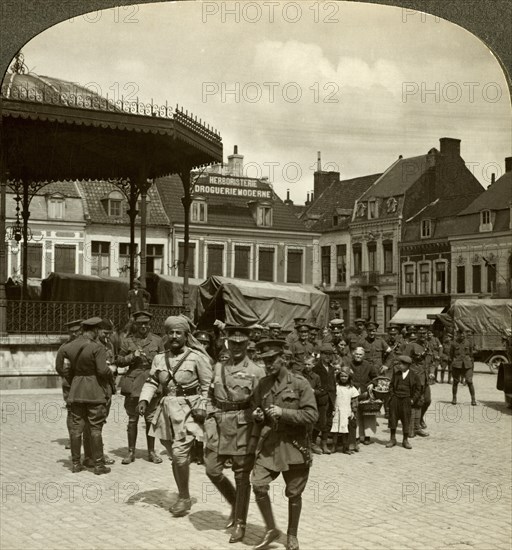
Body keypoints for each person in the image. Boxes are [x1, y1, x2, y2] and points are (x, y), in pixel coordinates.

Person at [138, 315, 212, 517]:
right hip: (166, 411)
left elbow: (207, 386)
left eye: (178, 332)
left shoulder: (197, 358)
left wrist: (203, 407)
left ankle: (184, 498)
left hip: (189, 410)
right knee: (174, 456)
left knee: (179, 455)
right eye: (170, 332)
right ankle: (182, 492)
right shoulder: (160, 358)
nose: (174, 336)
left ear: (186, 335)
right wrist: (144, 399)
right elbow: (153, 381)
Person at [251, 339, 318, 550]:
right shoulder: (263, 384)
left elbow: (312, 415)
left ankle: (292, 535)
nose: (268, 364)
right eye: (265, 361)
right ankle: (271, 528)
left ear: (283, 359)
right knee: (259, 485)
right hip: (270, 445)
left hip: (295, 446)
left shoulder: (300, 383)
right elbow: (254, 410)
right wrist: (257, 415)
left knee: (294, 493)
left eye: (272, 360)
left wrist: (284, 413)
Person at [203, 326, 266, 543]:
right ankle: (233, 501)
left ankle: (240, 522)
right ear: (227, 342)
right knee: (211, 469)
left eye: (241, 343)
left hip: (243, 426)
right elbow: (210, 394)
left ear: (248, 344)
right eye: (233, 343)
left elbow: (262, 402)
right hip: (219, 424)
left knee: (241, 476)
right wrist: (209, 415)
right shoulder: (218, 367)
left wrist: (259, 418)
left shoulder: (257, 371)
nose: (237, 347)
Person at [65, 317, 114, 475]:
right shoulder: (96, 347)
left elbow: (61, 368)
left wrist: (73, 381)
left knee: (76, 429)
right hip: (94, 392)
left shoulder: (69, 346)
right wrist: (111, 372)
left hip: (76, 392)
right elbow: (102, 370)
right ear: (94, 330)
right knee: (95, 428)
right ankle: (98, 465)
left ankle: (76, 464)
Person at [116, 311, 164, 464]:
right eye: (140, 323)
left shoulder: (157, 340)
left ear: (150, 324)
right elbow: (119, 360)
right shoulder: (127, 341)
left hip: (151, 383)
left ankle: (151, 452)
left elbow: (163, 361)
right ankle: (131, 453)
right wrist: (132, 356)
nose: (143, 326)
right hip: (133, 384)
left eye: (146, 323)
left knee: (150, 419)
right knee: (132, 419)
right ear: (135, 325)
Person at [55, 319, 83, 450]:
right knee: (71, 411)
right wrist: (68, 378)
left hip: (84, 383)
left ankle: (85, 438)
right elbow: (59, 367)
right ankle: (73, 439)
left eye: (77, 331)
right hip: (70, 384)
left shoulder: (86, 345)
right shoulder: (64, 348)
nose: (74, 334)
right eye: (72, 332)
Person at [386, 355, 422, 450]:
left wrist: (413, 399)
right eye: (399, 363)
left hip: (406, 400)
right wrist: (392, 395)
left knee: (406, 420)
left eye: (401, 364)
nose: (399, 365)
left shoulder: (414, 376)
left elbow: (418, 389)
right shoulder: (396, 374)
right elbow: (391, 386)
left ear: (407, 365)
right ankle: (392, 439)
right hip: (395, 399)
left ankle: (405, 440)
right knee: (393, 419)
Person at [402, 331, 431, 437]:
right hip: (415, 378)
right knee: (414, 402)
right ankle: (412, 428)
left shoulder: (428, 345)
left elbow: (429, 361)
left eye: (425, 333)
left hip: (425, 378)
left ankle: (418, 423)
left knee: (426, 400)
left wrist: (431, 372)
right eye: (421, 333)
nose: (423, 335)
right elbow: (404, 360)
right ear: (417, 335)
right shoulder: (411, 346)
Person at [349, 347, 379, 445]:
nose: (358, 356)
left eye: (360, 354)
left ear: (364, 355)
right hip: (353, 392)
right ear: (353, 354)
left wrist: (372, 384)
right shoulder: (349, 364)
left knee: (368, 415)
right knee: (355, 415)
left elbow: (375, 377)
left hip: (365, 392)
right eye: (356, 354)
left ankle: (367, 436)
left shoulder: (368, 365)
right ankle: (356, 436)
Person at [312, 343, 337, 454]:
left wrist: (334, 397)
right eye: (325, 354)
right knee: (319, 421)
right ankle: (312, 442)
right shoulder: (316, 368)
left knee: (328, 422)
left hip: (330, 398)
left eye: (330, 354)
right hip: (320, 398)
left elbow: (333, 384)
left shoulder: (332, 368)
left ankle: (324, 443)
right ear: (321, 354)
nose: (328, 356)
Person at [330, 367, 359, 454]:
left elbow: (354, 401)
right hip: (337, 410)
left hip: (346, 411)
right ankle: (334, 446)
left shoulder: (352, 389)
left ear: (349, 377)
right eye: (342, 376)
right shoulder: (336, 387)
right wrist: (332, 409)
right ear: (339, 377)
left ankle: (345, 447)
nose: (343, 378)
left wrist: (353, 411)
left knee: (345, 430)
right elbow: (332, 398)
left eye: (345, 376)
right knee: (335, 429)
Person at [450, 328, 477, 406]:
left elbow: (471, 354)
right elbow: (451, 355)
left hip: (467, 364)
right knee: (455, 382)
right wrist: (454, 363)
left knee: (469, 381)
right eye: (460, 334)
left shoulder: (469, 343)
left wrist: (471, 365)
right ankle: (454, 398)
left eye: (463, 334)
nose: (462, 335)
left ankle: (473, 399)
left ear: (465, 334)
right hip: (457, 365)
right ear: (457, 334)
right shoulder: (453, 343)